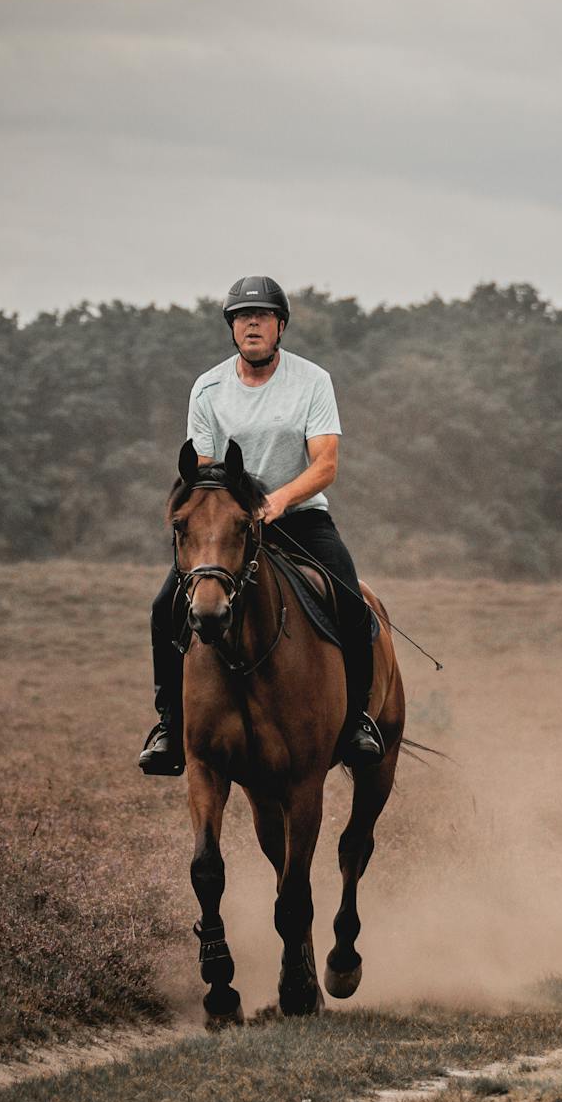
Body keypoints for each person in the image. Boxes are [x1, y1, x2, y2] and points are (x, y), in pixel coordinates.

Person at [137, 274, 384, 776]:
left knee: (354, 606)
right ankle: (169, 725)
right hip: (228, 526)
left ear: (280, 326)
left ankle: (358, 721)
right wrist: (230, 512)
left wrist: (277, 501)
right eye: (242, 317)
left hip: (298, 519)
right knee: (165, 607)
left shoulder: (313, 381)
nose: (252, 323)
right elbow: (204, 468)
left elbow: (325, 464)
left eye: (262, 316)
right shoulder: (207, 387)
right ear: (232, 328)